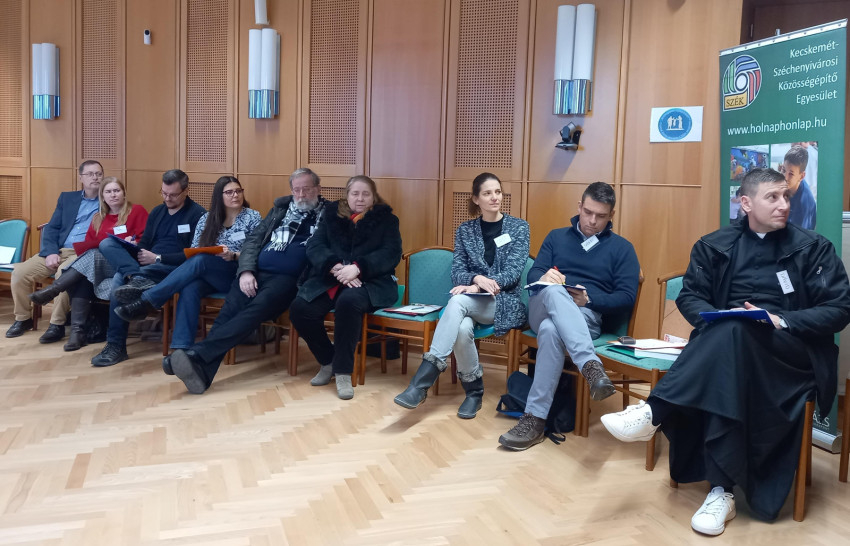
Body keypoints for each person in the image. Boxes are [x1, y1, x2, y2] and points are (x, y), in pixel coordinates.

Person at [600, 168, 850, 536]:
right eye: (773, 197)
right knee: (732, 343)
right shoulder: (714, 245)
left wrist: (780, 319)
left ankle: (656, 411)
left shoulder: (814, 248)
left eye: (786, 196)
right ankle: (721, 492)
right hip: (730, 354)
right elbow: (690, 296)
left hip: (791, 355)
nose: (784, 204)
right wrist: (716, 318)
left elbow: (839, 309)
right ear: (746, 203)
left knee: (733, 333)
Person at [498, 181, 640, 450]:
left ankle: (534, 420)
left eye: (601, 216)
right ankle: (590, 365)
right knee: (553, 290)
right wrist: (545, 276)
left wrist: (590, 299)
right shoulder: (556, 237)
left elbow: (626, 297)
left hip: (585, 317)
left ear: (612, 215)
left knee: (552, 330)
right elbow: (533, 274)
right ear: (579, 206)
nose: (592, 221)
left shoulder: (623, 249)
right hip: (543, 307)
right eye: (588, 212)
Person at [167, 168, 326, 394]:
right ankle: (202, 373)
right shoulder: (280, 209)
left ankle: (196, 354)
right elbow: (253, 242)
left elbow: (326, 251)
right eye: (296, 189)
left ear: (318, 189)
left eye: (307, 189)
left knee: (252, 312)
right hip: (256, 272)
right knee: (228, 313)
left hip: (289, 279)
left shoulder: (329, 214)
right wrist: (246, 271)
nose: (301, 195)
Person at [394, 172, 530, 418]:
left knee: (457, 302)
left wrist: (478, 287)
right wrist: (476, 279)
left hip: (504, 303)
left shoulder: (519, 227)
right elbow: (457, 272)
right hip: (472, 303)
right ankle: (473, 392)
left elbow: (512, 273)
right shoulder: (466, 230)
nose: (495, 197)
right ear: (476, 199)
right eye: (487, 193)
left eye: (498, 192)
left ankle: (421, 383)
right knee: (462, 328)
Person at [113, 176, 261, 357]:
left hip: (236, 273)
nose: (235, 195)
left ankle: (147, 300)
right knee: (190, 285)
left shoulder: (253, 217)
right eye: (229, 192)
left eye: (238, 191)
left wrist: (233, 255)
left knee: (200, 261)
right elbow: (195, 249)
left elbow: (257, 250)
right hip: (208, 273)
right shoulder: (207, 218)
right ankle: (181, 349)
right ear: (219, 195)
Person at [289, 175, 402, 400]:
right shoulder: (331, 215)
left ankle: (342, 372)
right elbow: (315, 246)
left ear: (373, 196)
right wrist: (336, 267)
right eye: (355, 193)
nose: (360, 199)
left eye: (365, 194)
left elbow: (391, 253)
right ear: (347, 195)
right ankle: (328, 361)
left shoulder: (387, 220)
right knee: (300, 309)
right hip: (333, 277)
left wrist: (358, 268)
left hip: (371, 281)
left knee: (348, 302)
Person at [90, 169, 205, 367]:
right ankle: (136, 277)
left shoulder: (199, 215)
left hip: (173, 267)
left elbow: (195, 255)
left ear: (186, 191)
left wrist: (158, 258)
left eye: (173, 195)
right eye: (164, 193)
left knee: (118, 278)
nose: (167, 198)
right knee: (107, 244)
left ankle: (116, 345)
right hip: (147, 263)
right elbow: (146, 243)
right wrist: (135, 247)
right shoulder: (158, 212)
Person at [28, 178, 148, 351]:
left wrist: (135, 242)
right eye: (108, 192)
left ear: (124, 193)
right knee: (84, 274)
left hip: (124, 262)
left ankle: (54, 290)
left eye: (117, 191)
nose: (113, 195)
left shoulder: (136, 211)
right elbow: (88, 244)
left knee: (92, 257)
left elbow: (147, 239)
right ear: (102, 196)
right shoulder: (98, 217)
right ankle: (77, 333)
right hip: (98, 264)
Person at [7, 160, 104, 343]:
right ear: (81, 177)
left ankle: (56, 324)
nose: (95, 177)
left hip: (83, 253)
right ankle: (23, 318)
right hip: (57, 250)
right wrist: (51, 252)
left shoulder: (108, 201)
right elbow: (52, 228)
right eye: (90, 174)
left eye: (99, 174)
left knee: (63, 274)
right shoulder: (67, 198)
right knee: (20, 272)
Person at [783, 145, 816, 229]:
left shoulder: (804, 204)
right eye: (783, 170)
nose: (785, 177)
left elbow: (800, 236)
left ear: (802, 176)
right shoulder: (790, 185)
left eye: (791, 174)